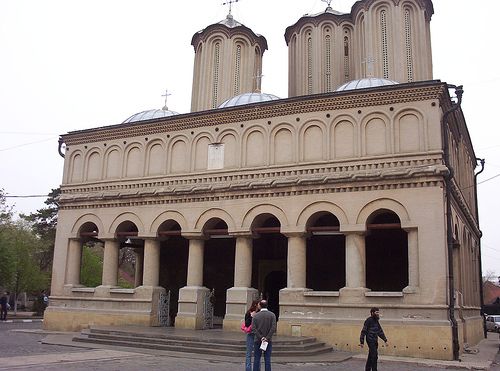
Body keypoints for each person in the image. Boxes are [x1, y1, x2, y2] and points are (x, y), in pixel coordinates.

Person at [360, 307, 388, 371]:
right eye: (376, 312)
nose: (378, 313)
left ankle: (367, 369)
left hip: (375, 340)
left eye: (378, 312)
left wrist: (385, 340)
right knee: (374, 356)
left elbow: (380, 331)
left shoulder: (376, 321)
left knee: (371, 356)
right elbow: (363, 331)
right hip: (370, 340)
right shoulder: (368, 320)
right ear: (372, 313)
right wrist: (362, 341)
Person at [252, 300, 277, 371]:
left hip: (258, 339)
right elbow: (273, 328)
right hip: (268, 340)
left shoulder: (256, 315)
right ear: (267, 305)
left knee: (257, 358)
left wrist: (261, 337)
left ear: (260, 305)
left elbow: (253, 328)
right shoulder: (272, 315)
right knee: (267, 359)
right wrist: (267, 337)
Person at [244, 299, 260, 371]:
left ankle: (257, 369)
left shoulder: (260, 313)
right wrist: (251, 317)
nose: (260, 305)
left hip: (258, 335)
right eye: (259, 304)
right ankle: (248, 369)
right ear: (255, 305)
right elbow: (247, 324)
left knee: (257, 353)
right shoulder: (248, 312)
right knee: (249, 353)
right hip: (250, 334)